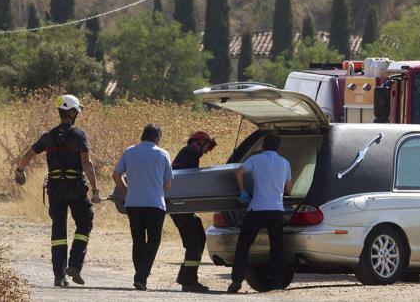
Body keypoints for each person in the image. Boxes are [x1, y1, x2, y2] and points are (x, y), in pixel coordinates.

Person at [14, 95, 101, 287]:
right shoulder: (79, 135)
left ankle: (59, 276)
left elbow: (29, 154)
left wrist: (20, 170)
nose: (77, 114)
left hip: (55, 190)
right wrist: (95, 190)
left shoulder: (48, 136)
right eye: (76, 111)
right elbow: (87, 163)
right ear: (70, 112)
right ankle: (75, 265)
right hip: (76, 188)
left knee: (58, 230)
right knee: (85, 222)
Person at [228, 134, 292, 293]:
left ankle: (236, 281)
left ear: (263, 147)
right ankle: (277, 282)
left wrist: (242, 191)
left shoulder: (255, 160)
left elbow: (238, 172)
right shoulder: (285, 163)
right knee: (277, 246)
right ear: (279, 148)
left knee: (244, 244)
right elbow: (289, 189)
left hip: (257, 208)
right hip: (277, 210)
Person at [112, 124, 173, 291]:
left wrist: (126, 191)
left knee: (137, 240)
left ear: (143, 136)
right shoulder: (163, 154)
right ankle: (140, 276)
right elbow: (168, 184)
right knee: (153, 241)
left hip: (133, 204)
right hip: (155, 205)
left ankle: (140, 275)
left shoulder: (129, 151)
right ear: (157, 138)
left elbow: (115, 174)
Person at [171, 131, 217, 293]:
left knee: (198, 237)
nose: (206, 152)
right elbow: (193, 180)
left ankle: (185, 275)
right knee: (194, 242)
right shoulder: (191, 153)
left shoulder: (187, 153)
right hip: (181, 206)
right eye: (207, 147)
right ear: (200, 142)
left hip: (181, 205)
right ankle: (189, 281)